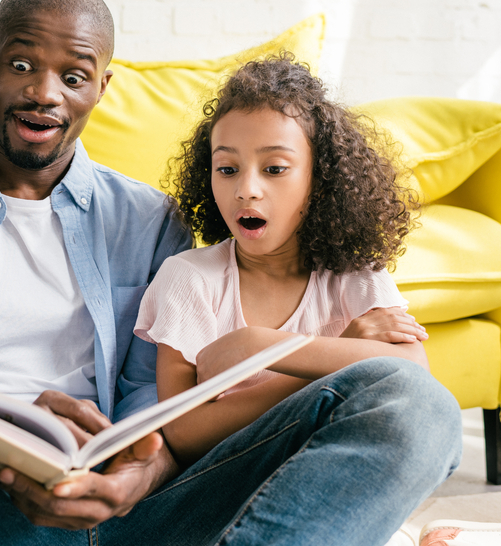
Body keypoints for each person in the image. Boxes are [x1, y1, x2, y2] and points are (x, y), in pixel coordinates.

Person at [0, 0, 462, 546]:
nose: (44, 92)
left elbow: (161, 399)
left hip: (140, 507)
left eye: (72, 75)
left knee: (416, 407)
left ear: (100, 87)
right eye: (21, 65)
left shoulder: (151, 220)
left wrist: (144, 468)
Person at [134, 54, 433, 463]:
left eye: (274, 168)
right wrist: (336, 354)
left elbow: (413, 369)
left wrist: (262, 345)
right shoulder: (188, 278)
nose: (247, 189)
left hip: (328, 464)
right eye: (226, 169)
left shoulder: (353, 275)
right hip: (230, 480)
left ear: (320, 177)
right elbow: (185, 434)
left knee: (426, 412)